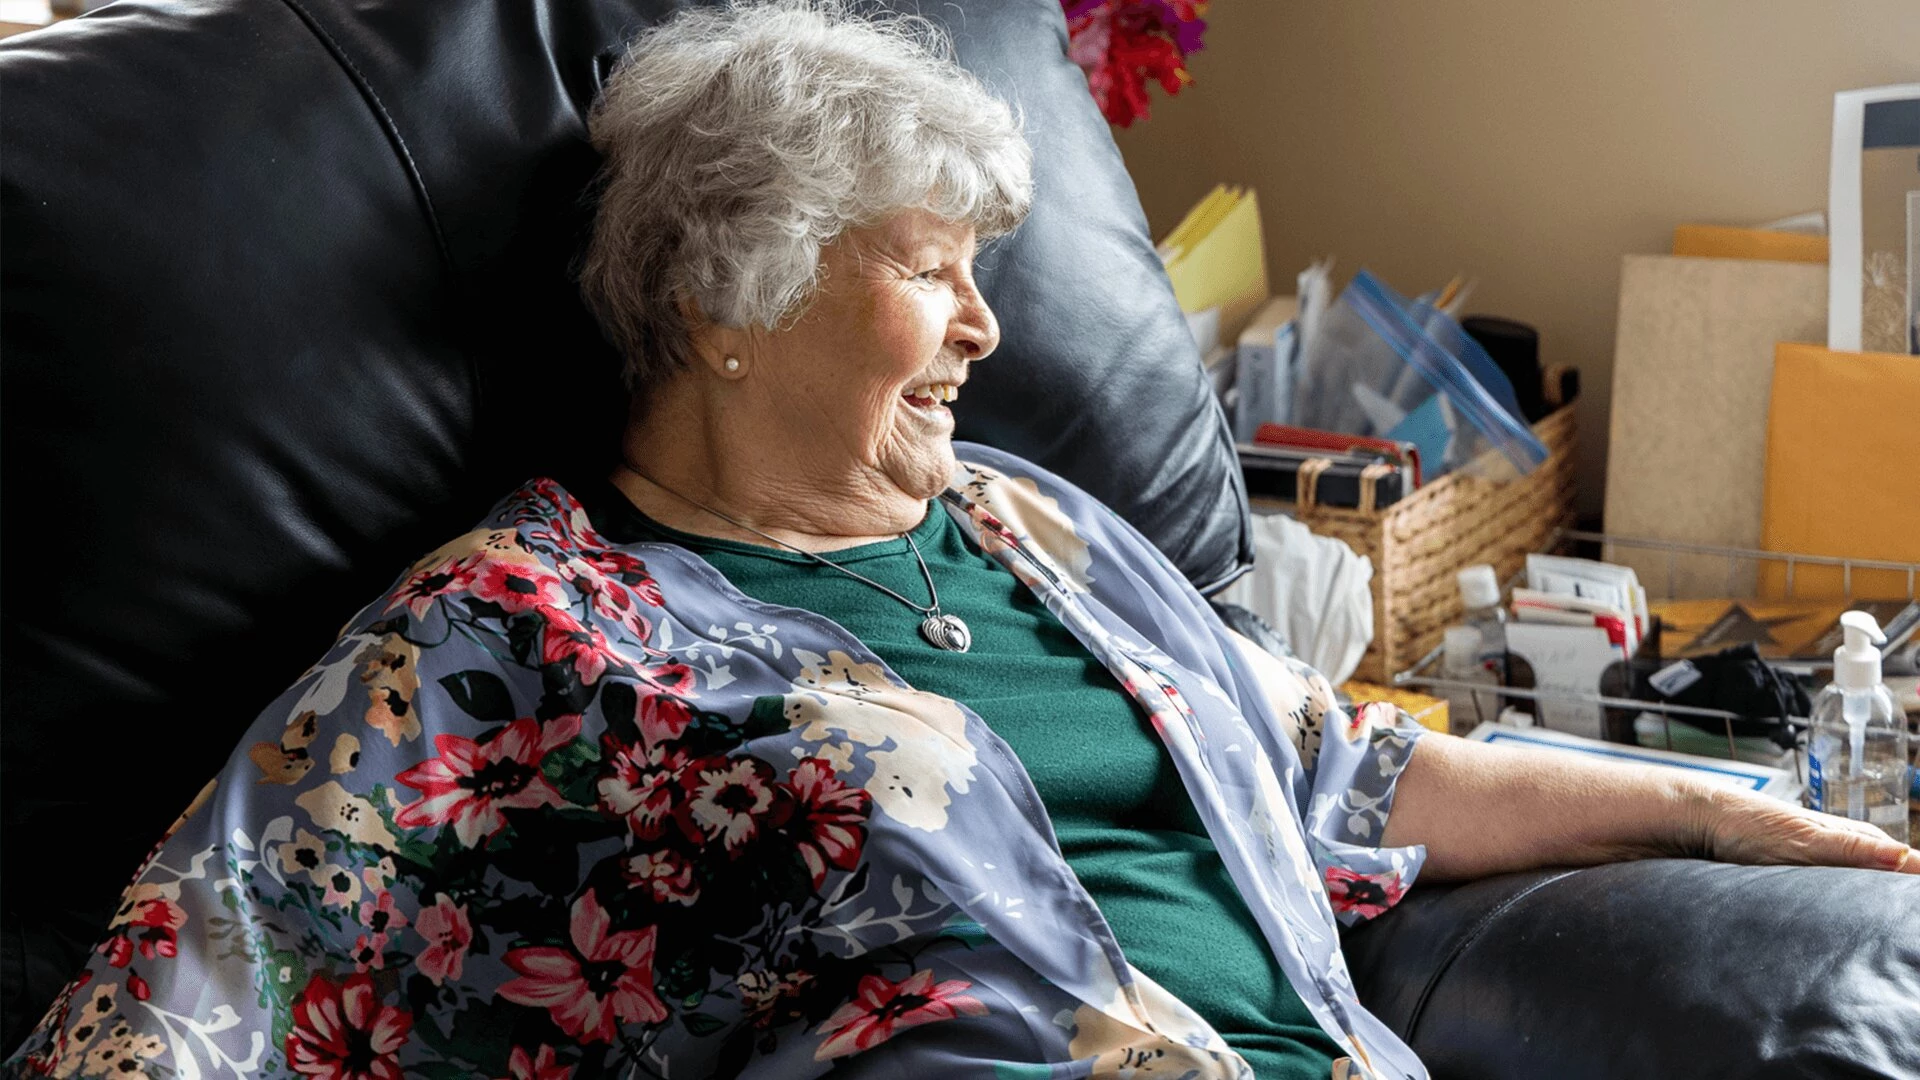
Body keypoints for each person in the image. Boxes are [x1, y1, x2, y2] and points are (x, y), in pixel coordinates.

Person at [11, 3, 1913, 1078]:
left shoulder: (1036, 529)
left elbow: (1351, 761)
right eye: (930, 272)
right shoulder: (518, 625)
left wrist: (1716, 807)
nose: (991, 332)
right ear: (729, 298)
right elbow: (210, 973)